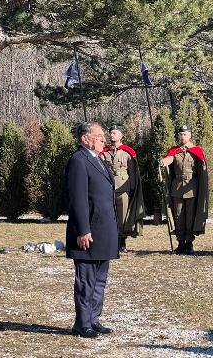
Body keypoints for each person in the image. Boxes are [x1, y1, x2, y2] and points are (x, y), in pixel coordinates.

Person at [64, 122, 118, 338]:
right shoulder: (79, 160)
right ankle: (82, 323)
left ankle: (94, 318)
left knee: (100, 280)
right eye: (99, 136)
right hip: (88, 231)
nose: (104, 139)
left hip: (104, 230)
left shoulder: (98, 159)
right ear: (85, 139)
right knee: (86, 279)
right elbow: (77, 199)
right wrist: (82, 230)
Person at [159, 126, 208, 255]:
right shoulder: (175, 151)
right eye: (180, 134)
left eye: (185, 134)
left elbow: (201, 171)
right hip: (177, 189)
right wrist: (163, 162)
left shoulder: (196, 151)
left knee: (190, 217)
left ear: (190, 135)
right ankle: (181, 243)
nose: (182, 137)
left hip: (191, 188)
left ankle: (189, 243)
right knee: (179, 216)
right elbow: (170, 159)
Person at [100, 125, 145, 252]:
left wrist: (132, 189)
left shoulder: (128, 152)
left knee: (122, 216)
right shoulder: (104, 152)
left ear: (121, 135)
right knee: (110, 215)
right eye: (110, 132)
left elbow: (133, 172)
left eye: (114, 132)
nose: (111, 135)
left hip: (123, 188)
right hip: (108, 188)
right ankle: (111, 240)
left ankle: (121, 241)